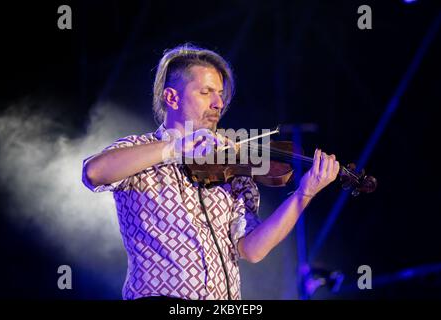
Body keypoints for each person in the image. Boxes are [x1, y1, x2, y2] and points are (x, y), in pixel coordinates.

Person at [82, 43, 340, 300]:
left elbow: (253, 250)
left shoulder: (231, 168)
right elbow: (93, 172)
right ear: (171, 97)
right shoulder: (138, 150)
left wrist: (304, 194)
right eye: (206, 92)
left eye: (220, 94)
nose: (218, 103)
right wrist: (175, 148)